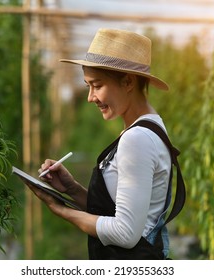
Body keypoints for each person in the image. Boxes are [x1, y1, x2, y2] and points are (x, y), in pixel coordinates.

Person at [27, 28, 185, 260]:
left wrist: (62, 210)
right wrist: (72, 190)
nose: (90, 97)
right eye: (88, 86)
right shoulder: (150, 127)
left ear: (128, 82)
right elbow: (121, 211)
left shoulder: (136, 139)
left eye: (97, 85)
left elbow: (125, 233)